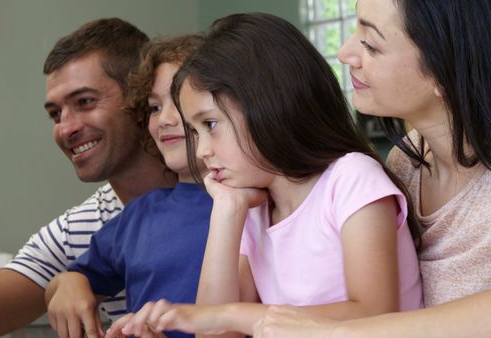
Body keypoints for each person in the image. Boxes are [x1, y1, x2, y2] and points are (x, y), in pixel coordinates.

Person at [113, 12, 423, 338]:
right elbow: (215, 334)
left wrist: (233, 315)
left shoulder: (351, 179)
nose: (202, 149)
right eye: (195, 130)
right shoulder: (255, 209)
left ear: (269, 105)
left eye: (210, 124)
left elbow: (373, 313)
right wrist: (226, 211)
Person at [0, 18, 175, 338]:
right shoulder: (77, 232)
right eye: (55, 114)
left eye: (85, 102)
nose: (65, 128)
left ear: (141, 95)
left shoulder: (228, 188)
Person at [249, 0, 491, 337]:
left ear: (444, 71)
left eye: (371, 45)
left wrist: (337, 331)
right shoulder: (405, 162)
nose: (345, 53)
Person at [44, 35, 210, 338]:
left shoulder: (259, 204)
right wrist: (69, 282)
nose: (165, 120)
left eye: (182, 101)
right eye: (154, 107)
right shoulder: (140, 216)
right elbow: (68, 281)